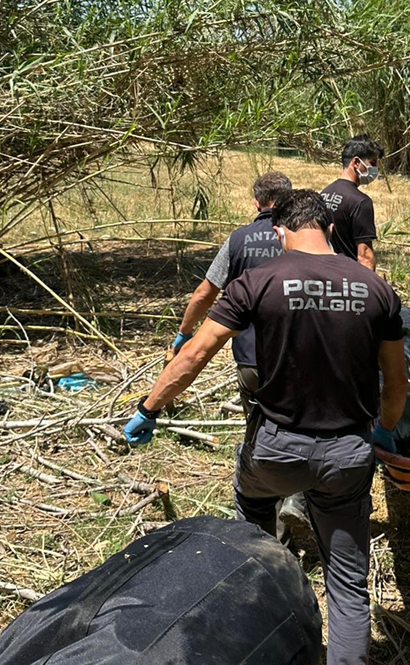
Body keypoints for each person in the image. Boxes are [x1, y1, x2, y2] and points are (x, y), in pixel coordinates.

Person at [124, 190, 409, 665]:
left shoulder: (257, 282)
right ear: (331, 230)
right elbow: (396, 384)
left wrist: (149, 408)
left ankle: (261, 575)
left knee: (251, 516)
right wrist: (384, 429)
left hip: (275, 451)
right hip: (347, 456)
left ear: (280, 232)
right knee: (346, 583)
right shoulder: (375, 289)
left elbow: (193, 355)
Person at [167, 171, 309, 543]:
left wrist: (184, 333)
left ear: (257, 203)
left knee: (259, 434)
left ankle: (267, 530)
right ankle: (297, 498)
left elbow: (204, 293)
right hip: (298, 358)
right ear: (290, 200)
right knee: (302, 428)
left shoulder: (238, 241)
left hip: (250, 360)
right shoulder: (305, 239)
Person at [320, 135, 383, 271]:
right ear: (356, 163)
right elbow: (365, 256)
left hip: (323, 273)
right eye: (372, 163)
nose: (376, 169)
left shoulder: (323, 194)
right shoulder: (361, 202)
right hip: (348, 278)